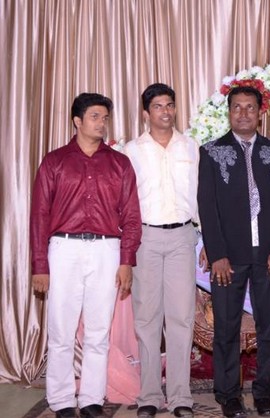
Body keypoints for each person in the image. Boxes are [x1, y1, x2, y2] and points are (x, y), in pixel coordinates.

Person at [30, 93, 142, 418]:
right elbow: (39, 215)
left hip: (107, 250)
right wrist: (40, 265)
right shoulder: (54, 162)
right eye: (95, 116)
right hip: (63, 249)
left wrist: (126, 261)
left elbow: (131, 216)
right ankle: (61, 400)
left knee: (98, 331)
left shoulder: (120, 164)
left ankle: (92, 398)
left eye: (105, 118)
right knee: (61, 331)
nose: (101, 123)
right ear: (77, 121)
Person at [197, 86, 270, 417]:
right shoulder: (212, 152)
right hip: (228, 258)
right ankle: (228, 395)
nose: (243, 113)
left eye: (249, 107)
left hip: (268, 257)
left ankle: (264, 393)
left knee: (268, 327)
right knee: (226, 327)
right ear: (229, 112)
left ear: (260, 113)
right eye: (236, 107)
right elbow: (207, 206)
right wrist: (217, 253)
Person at [124, 83, 199, 418]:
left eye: (170, 105)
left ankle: (181, 397)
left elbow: (200, 195)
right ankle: (150, 397)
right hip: (146, 239)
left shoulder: (191, 147)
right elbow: (125, 201)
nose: (165, 111)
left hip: (183, 236)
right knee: (147, 319)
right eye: (158, 106)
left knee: (181, 318)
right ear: (146, 113)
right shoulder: (132, 151)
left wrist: (207, 241)